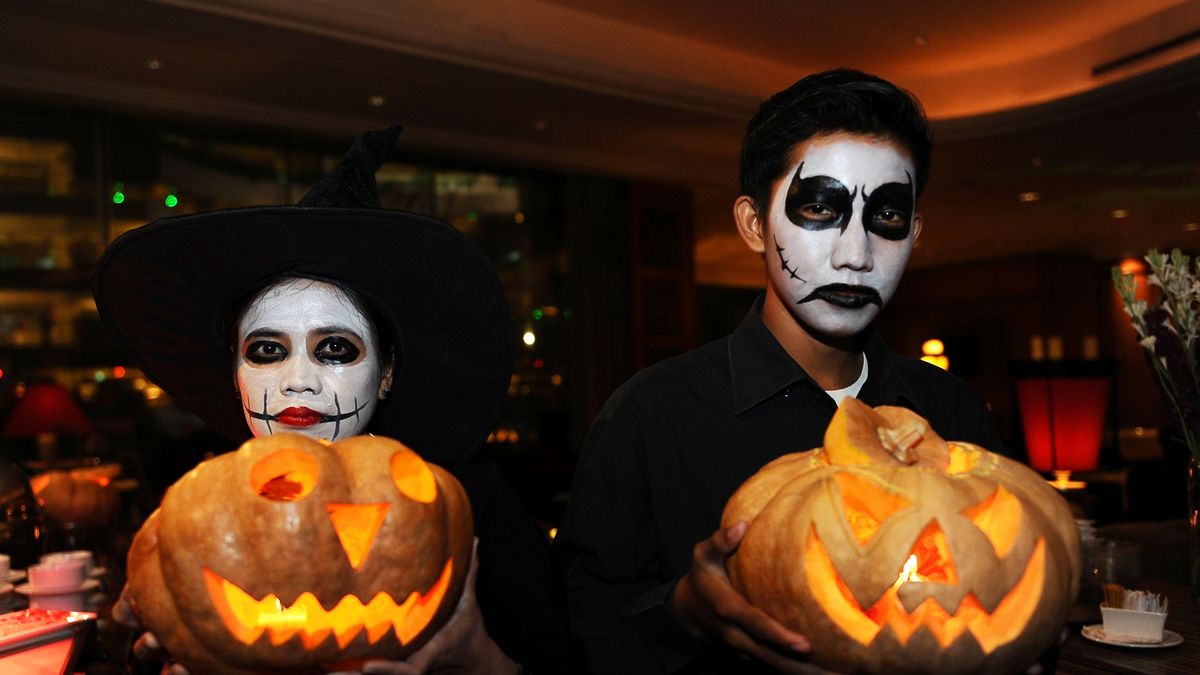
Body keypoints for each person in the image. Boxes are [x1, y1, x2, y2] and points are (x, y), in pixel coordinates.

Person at [554, 69, 1005, 674]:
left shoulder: (953, 416)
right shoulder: (650, 416)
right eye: (819, 207)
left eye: (888, 217)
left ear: (914, 234)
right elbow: (577, 629)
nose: (856, 253)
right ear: (753, 224)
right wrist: (683, 609)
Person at [94, 126, 578, 674]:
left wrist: (477, 659)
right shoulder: (198, 513)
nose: (298, 380)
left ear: (386, 373)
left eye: (335, 349)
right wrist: (124, 641)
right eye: (267, 350)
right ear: (235, 374)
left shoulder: (471, 503)